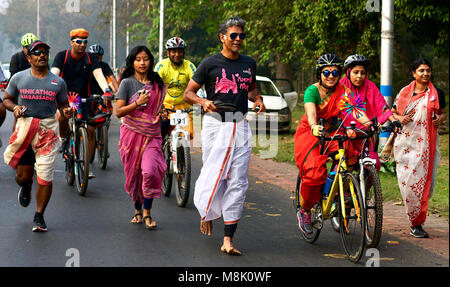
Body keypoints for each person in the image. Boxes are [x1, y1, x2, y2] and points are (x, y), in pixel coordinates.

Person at [183, 16, 265, 255]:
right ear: (222, 37)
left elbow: (251, 90)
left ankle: (228, 238)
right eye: (233, 35)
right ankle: (206, 210)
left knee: (238, 180)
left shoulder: (249, 63)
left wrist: (258, 100)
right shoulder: (209, 64)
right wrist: (202, 101)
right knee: (214, 173)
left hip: (239, 125)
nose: (238, 39)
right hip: (214, 125)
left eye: (242, 35)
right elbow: (189, 93)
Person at [293, 53, 376, 234]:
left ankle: (337, 188)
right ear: (320, 74)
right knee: (314, 174)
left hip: (332, 130)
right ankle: (305, 210)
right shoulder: (312, 91)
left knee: (349, 152)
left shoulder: (343, 91)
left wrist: (369, 124)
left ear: (340, 74)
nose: (331, 76)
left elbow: (355, 110)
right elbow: (311, 113)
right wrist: (314, 126)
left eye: (335, 72)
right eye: (326, 72)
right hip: (311, 132)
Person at [2, 40, 72, 232]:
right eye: (37, 52)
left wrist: (66, 112)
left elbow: (63, 105)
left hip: (47, 131)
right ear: (29, 58)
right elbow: (7, 99)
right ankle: (25, 187)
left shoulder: (58, 82)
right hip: (25, 130)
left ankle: (39, 215)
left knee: (45, 176)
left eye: (45, 52)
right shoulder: (18, 78)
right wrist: (15, 107)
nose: (42, 55)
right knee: (23, 177)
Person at [390, 58, 446, 238]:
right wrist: (399, 119)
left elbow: (443, 113)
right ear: (414, 73)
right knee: (407, 183)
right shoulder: (404, 93)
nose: (425, 74)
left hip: (426, 145)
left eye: (428, 70)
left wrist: (441, 119)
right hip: (405, 144)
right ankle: (413, 216)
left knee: (422, 185)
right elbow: (393, 113)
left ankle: (417, 223)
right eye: (421, 70)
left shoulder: (437, 94)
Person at [115, 46, 167, 230]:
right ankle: (138, 211)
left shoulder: (158, 83)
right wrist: (137, 103)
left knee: (150, 171)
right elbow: (118, 112)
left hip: (152, 135)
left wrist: (162, 112)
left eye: (145, 59)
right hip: (131, 135)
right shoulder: (127, 83)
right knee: (135, 174)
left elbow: (158, 105)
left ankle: (147, 211)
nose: (142, 62)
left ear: (150, 61)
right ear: (133, 62)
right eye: (138, 59)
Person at [51, 28, 113, 178]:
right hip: (65, 97)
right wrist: (51, 90)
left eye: (85, 42)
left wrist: (106, 89)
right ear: (72, 42)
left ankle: (85, 165)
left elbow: (98, 74)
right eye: (78, 42)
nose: (82, 45)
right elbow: (54, 75)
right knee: (62, 116)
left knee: (88, 130)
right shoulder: (62, 56)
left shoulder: (91, 58)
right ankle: (63, 139)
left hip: (84, 98)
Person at [340, 54, 401, 169]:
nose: (359, 76)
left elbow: (382, 105)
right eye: (356, 72)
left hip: (365, 133)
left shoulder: (370, 86)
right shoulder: (340, 87)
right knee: (344, 168)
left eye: (363, 73)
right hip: (345, 134)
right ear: (348, 72)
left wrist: (394, 120)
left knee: (374, 165)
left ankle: (364, 187)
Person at [154, 37, 196, 140]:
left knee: (192, 135)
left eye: (180, 51)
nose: (177, 54)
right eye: (173, 51)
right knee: (160, 132)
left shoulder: (189, 66)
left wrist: (202, 99)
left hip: (185, 107)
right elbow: (155, 86)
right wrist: (159, 106)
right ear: (168, 53)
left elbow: (197, 84)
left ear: (183, 52)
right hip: (165, 107)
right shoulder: (161, 66)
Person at [8, 33, 37, 132]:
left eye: (32, 47)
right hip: (21, 93)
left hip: (37, 92)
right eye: (27, 47)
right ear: (23, 47)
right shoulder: (16, 58)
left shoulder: (39, 57)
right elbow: (13, 79)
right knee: (19, 118)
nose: (29, 49)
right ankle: (15, 142)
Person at [88, 44, 119, 114]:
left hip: (102, 93)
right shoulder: (86, 65)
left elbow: (112, 78)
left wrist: (118, 92)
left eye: (99, 56)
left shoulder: (104, 66)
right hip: (88, 93)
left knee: (106, 111)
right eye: (94, 56)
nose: (97, 58)